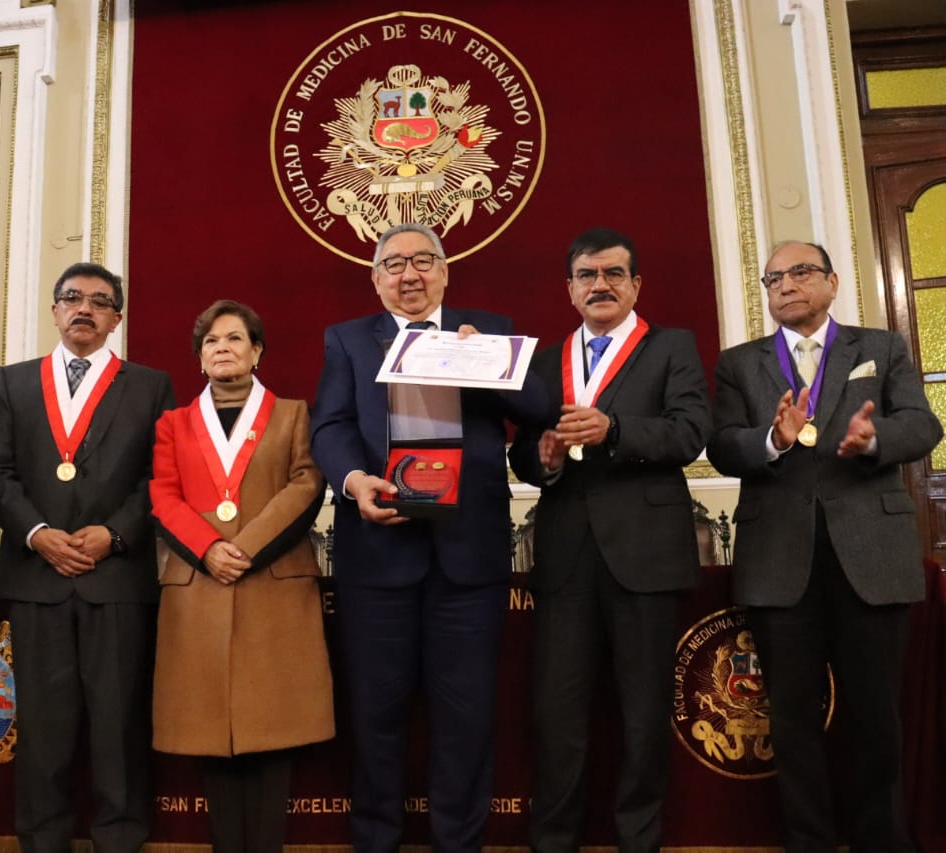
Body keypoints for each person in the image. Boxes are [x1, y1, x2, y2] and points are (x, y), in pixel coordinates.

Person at [310, 222, 546, 852]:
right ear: (375, 278)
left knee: (467, 719)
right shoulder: (350, 340)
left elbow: (539, 411)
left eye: (423, 261)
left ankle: (459, 844)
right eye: (394, 264)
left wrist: (487, 369)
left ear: (446, 270)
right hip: (377, 556)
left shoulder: (487, 329)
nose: (409, 274)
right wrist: (355, 481)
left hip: (468, 560)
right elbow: (329, 427)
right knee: (376, 715)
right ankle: (375, 841)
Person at [706, 240, 941, 853]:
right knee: (792, 722)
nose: (785, 285)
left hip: (872, 557)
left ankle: (880, 841)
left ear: (833, 283)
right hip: (781, 563)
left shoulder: (880, 348)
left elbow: (923, 424)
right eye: (773, 278)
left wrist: (874, 439)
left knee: (874, 720)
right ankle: (809, 841)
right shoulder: (739, 363)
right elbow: (724, 446)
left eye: (800, 272)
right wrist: (773, 441)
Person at [507, 228, 712, 853]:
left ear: (636, 285)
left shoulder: (671, 346)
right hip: (567, 555)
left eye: (614, 274)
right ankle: (553, 841)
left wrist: (613, 429)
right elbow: (523, 455)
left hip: (646, 554)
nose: (600, 285)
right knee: (557, 715)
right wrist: (543, 458)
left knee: (643, 714)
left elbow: (690, 433)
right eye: (587, 275)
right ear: (569, 289)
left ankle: (638, 841)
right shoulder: (545, 359)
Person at [0, 262, 174, 853]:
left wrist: (113, 535)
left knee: (118, 724)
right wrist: (37, 532)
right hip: (37, 575)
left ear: (116, 316)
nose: (83, 308)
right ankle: (43, 840)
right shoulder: (14, 382)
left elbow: (158, 477)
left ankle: (121, 839)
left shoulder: (149, 384)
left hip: (114, 578)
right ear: (55, 309)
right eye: (71, 298)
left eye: (98, 300)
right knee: (43, 725)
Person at [150, 300, 333, 853]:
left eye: (234, 338)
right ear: (199, 357)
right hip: (199, 589)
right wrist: (209, 547)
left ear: (257, 351)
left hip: (272, 585)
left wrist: (244, 547)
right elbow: (163, 495)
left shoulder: (294, 414)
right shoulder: (173, 423)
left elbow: (306, 484)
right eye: (210, 341)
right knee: (211, 738)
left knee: (273, 734)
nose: (222, 348)